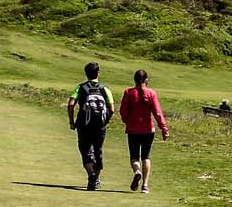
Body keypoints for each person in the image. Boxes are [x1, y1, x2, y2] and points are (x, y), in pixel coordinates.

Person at [117, 69, 169, 193]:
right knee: (146, 156)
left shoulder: (129, 92)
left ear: (134, 80)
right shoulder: (151, 93)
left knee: (134, 156)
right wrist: (164, 128)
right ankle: (145, 185)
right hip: (148, 129)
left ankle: (137, 171)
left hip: (133, 129)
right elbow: (157, 112)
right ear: (146, 80)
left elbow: (123, 111)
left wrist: (127, 121)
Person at [67, 62, 113, 190]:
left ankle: (91, 176)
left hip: (83, 124)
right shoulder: (105, 89)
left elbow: (71, 104)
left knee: (85, 150)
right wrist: (105, 120)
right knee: (98, 150)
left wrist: (72, 121)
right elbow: (112, 108)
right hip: (100, 126)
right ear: (98, 73)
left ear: (86, 73)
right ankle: (96, 179)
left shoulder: (80, 88)